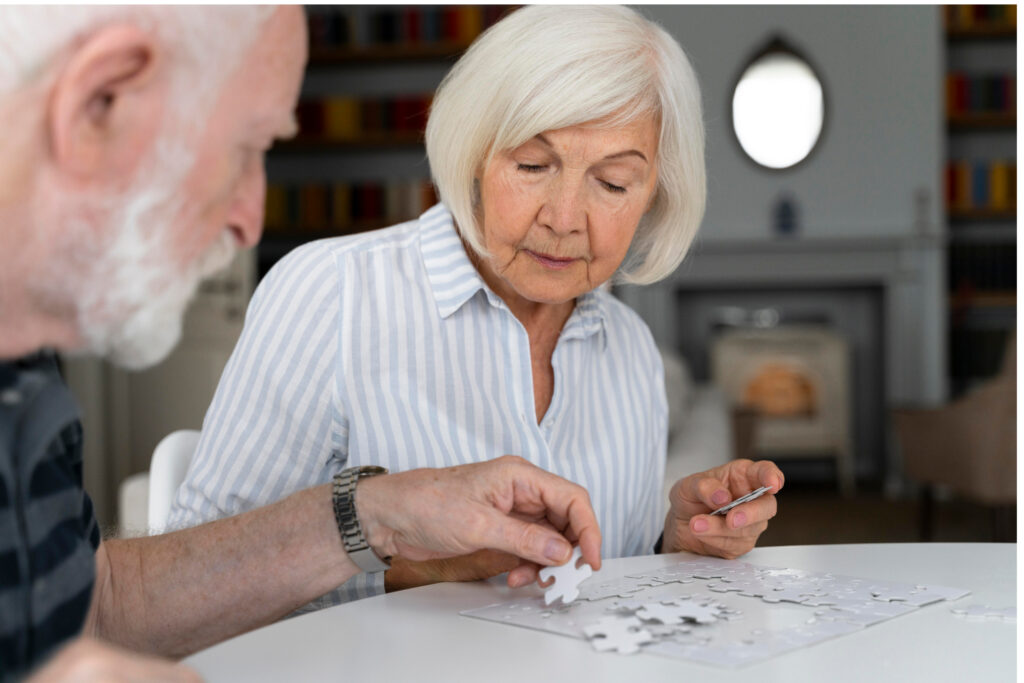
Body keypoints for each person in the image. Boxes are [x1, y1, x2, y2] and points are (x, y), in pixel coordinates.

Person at [0, 7, 603, 681]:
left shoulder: (25, 364)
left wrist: (380, 513)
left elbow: (95, 603)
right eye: (245, 147)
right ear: (100, 98)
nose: (251, 218)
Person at [171, 4, 784, 607]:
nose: (564, 219)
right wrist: (409, 570)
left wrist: (671, 543)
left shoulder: (630, 348)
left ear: (655, 195)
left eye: (613, 183)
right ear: (473, 154)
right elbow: (193, 585)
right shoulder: (331, 294)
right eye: (532, 164)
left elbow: (594, 588)